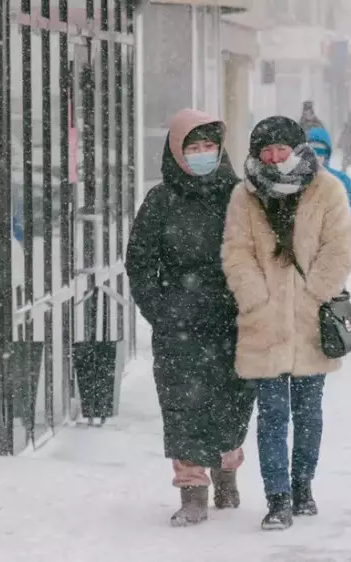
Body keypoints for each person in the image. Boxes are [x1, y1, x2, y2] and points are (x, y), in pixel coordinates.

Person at [221, 116, 351, 531]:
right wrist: (255, 298)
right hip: (264, 322)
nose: (274, 157)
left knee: (309, 412)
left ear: (298, 149)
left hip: (312, 319)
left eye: (281, 149)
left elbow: (340, 249)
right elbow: (236, 251)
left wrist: (314, 293)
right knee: (273, 415)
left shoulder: (327, 189)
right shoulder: (245, 196)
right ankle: (277, 498)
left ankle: (303, 487)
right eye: (266, 150)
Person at [125, 109, 255, 528]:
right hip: (180, 325)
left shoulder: (241, 197)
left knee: (234, 403)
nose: (202, 154)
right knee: (183, 406)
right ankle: (192, 489)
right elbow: (140, 262)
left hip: (235, 322)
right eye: (193, 148)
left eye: (209, 147)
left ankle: (226, 467)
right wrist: (162, 311)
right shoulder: (161, 201)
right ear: (177, 152)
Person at [307, 126, 351, 219]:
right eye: (312, 151)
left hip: (334, 231)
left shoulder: (340, 179)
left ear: (327, 154)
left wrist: (338, 217)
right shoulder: (297, 179)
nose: (316, 157)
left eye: (321, 151)